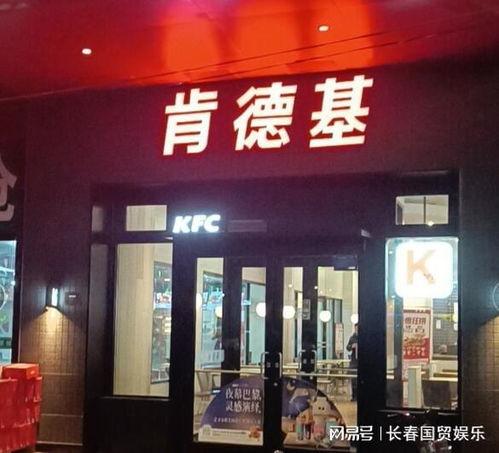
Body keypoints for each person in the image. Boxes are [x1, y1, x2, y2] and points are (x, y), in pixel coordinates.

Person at [346, 324, 358, 401]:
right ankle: (354, 396)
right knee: (353, 379)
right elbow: (347, 347)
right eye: (356, 329)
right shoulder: (352, 338)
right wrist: (351, 346)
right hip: (354, 361)